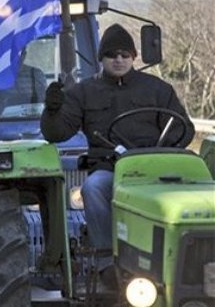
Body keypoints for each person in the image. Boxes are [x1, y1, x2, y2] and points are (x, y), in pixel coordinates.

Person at [40, 23, 195, 289]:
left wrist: (159, 149)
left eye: (125, 54)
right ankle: (106, 263)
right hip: (111, 169)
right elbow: (57, 133)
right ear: (102, 59)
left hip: (156, 169)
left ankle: (189, 262)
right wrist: (51, 111)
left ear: (134, 57)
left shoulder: (157, 89)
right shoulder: (84, 92)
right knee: (93, 187)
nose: (119, 59)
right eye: (112, 55)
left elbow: (184, 128)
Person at [0, 49, 47, 116]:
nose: (16, 57)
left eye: (19, 54)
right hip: (6, 119)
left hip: (32, 118)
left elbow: (42, 99)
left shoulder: (36, 74)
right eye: (12, 54)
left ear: (24, 54)